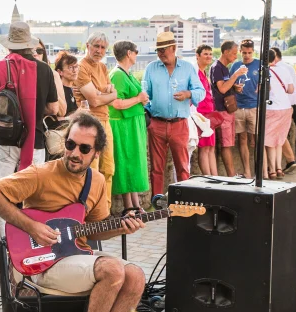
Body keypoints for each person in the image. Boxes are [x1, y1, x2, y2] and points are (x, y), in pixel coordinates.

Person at [0, 112, 146, 312]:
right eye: (70, 145)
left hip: (77, 256)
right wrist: (32, 227)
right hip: (43, 262)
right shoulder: (41, 174)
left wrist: (122, 228)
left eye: (84, 148)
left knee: (136, 276)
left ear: (96, 153)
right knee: (112, 270)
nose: (75, 153)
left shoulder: (97, 181)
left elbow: (95, 230)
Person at [0, 21, 59, 239]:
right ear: (29, 45)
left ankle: (4, 250)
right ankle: (28, 247)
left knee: (1, 198)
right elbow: (54, 108)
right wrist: (32, 111)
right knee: (33, 198)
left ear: (9, 45)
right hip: (34, 141)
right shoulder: (45, 69)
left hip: (4, 139)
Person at [143, 31, 205, 196]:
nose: (161, 53)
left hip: (179, 124)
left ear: (174, 48)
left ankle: (183, 200)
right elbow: (144, 94)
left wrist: (188, 94)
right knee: (156, 168)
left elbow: (201, 91)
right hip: (157, 123)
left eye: (164, 49)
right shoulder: (151, 68)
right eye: (158, 50)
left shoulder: (187, 68)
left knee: (183, 167)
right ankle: (157, 203)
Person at [74, 32, 117, 208]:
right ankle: (92, 211)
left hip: (105, 120)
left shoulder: (103, 68)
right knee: (92, 170)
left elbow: (112, 95)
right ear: (88, 46)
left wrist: (106, 93)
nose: (99, 50)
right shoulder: (81, 67)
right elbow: (94, 101)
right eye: (96, 46)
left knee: (108, 169)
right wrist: (106, 93)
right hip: (90, 123)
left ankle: (104, 210)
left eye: (102, 48)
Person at [108, 40, 150, 210]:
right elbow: (116, 103)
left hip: (132, 125)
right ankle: (129, 207)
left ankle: (136, 204)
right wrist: (138, 99)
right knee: (126, 163)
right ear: (128, 53)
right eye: (136, 51)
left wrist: (142, 100)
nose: (137, 54)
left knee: (133, 163)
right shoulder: (117, 75)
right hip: (123, 127)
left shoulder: (127, 73)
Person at [210, 40, 247, 177]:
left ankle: (232, 175)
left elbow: (226, 86)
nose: (235, 57)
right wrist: (236, 75)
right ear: (225, 52)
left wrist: (234, 87)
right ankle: (231, 176)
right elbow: (222, 88)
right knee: (226, 144)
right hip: (221, 110)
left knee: (229, 143)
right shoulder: (217, 67)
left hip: (228, 109)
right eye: (233, 53)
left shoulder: (224, 67)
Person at [230, 39, 260, 178]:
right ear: (240, 52)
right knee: (242, 139)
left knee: (257, 140)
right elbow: (229, 84)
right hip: (239, 107)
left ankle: (262, 171)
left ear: (253, 51)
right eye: (244, 53)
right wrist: (235, 87)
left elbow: (268, 84)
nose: (247, 55)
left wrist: (259, 88)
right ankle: (247, 172)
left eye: (249, 52)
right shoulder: (235, 65)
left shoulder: (259, 64)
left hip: (254, 107)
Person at [265, 49, 295, 180]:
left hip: (272, 108)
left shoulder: (265, 71)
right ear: (275, 58)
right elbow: (290, 89)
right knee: (279, 140)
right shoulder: (284, 70)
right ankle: (279, 168)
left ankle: (271, 170)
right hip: (286, 108)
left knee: (269, 141)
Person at [271, 47, 296, 174]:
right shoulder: (288, 67)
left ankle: (282, 163)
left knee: (276, 136)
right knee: (282, 134)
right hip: (289, 105)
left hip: (276, 106)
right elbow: (291, 89)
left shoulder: (273, 69)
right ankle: (288, 161)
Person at [194, 44, 218, 176]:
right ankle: (208, 178)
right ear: (197, 56)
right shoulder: (195, 72)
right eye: (205, 54)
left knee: (210, 147)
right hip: (201, 115)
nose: (209, 56)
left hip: (209, 114)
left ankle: (215, 177)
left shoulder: (204, 72)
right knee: (204, 147)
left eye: (210, 54)